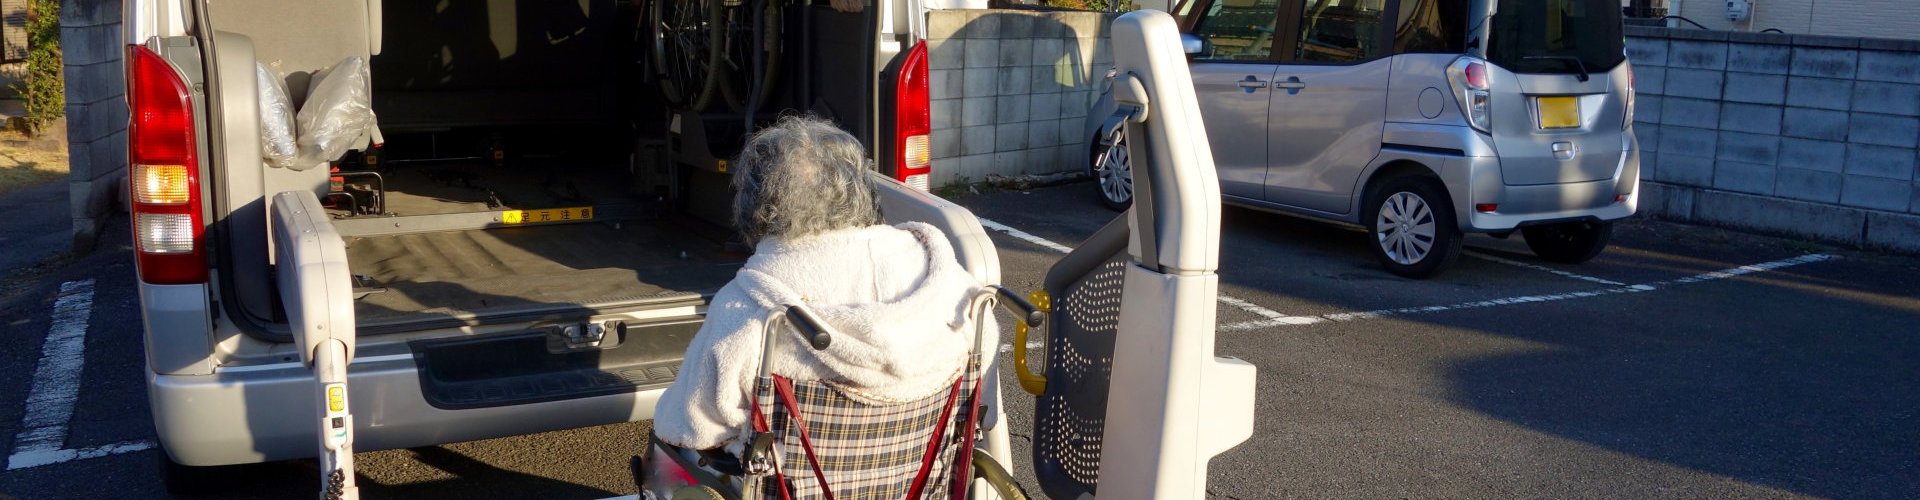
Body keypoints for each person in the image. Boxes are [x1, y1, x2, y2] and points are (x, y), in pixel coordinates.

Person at [652, 116, 992, 455]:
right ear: (862, 187)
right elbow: (984, 351)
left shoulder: (744, 310)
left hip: (802, 483)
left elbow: (692, 423)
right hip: (921, 475)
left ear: (754, 207)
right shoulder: (943, 277)